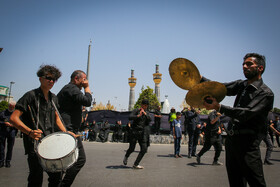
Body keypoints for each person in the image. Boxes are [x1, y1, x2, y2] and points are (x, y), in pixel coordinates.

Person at [202, 53, 274, 187]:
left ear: (260, 68)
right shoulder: (242, 84)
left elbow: (246, 113)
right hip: (232, 142)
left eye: (249, 64)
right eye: (243, 64)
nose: (244, 66)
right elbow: (220, 88)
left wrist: (219, 106)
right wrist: (199, 78)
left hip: (248, 145)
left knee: (256, 183)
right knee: (236, 183)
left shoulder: (266, 93)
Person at [9, 65, 71, 186]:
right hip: (34, 144)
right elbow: (13, 118)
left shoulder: (54, 98)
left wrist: (67, 133)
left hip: (52, 143)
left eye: (54, 79)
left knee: (56, 177)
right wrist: (29, 132)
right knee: (35, 179)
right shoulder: (30, 96)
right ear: (40, 78)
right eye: (48, 78)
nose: (51, 81)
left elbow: (57, 118)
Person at [57, 70, 92, 186]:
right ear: (76, 79)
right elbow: (87, 101)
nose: (85, 82)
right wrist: (87, 88)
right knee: (79, 160)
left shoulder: (71, 90)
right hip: (68, 131)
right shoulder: (71, 89)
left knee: (65, 162)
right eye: (84, 79)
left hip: (69, 130)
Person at [123, 99, 151, 169]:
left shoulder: (147, 112)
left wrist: (145, 114)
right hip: (134, 131)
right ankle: (126, 156)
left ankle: (136, 164)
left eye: (146, 106)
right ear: (142, 105)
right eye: (144, 105)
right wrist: (138, 116)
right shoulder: (136, 110)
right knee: (132, 148)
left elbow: (150, 119)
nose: (145, 107)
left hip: (142, 132)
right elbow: (130, 117)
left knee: (144, 149)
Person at [0, 101, 17, 168]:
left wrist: (13, 125)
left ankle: (8, 161)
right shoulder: (2, 113)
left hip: (11, 132)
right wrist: (4, 123)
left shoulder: (16, 114)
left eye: (12, 107)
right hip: (2, 132)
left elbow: (19, 123)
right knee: (1, 148)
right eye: (10, 106)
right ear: (8, 106)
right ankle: (1, 161)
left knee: (10, 148)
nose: (11, 107)